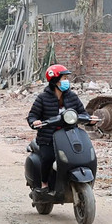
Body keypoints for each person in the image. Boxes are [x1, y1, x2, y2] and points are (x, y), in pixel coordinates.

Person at [27, 64, 86, 192]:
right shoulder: (43, 98)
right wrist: (35, 121)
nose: (66, 81)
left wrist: (89, 119)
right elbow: (32, 115)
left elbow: (82, 113)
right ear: (55, 81)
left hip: (70, 136)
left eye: (67, 78)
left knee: (81, 156)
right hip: (48, 138)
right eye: (64, 78)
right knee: (48, 157)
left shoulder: (72, 97)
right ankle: (44, 183)